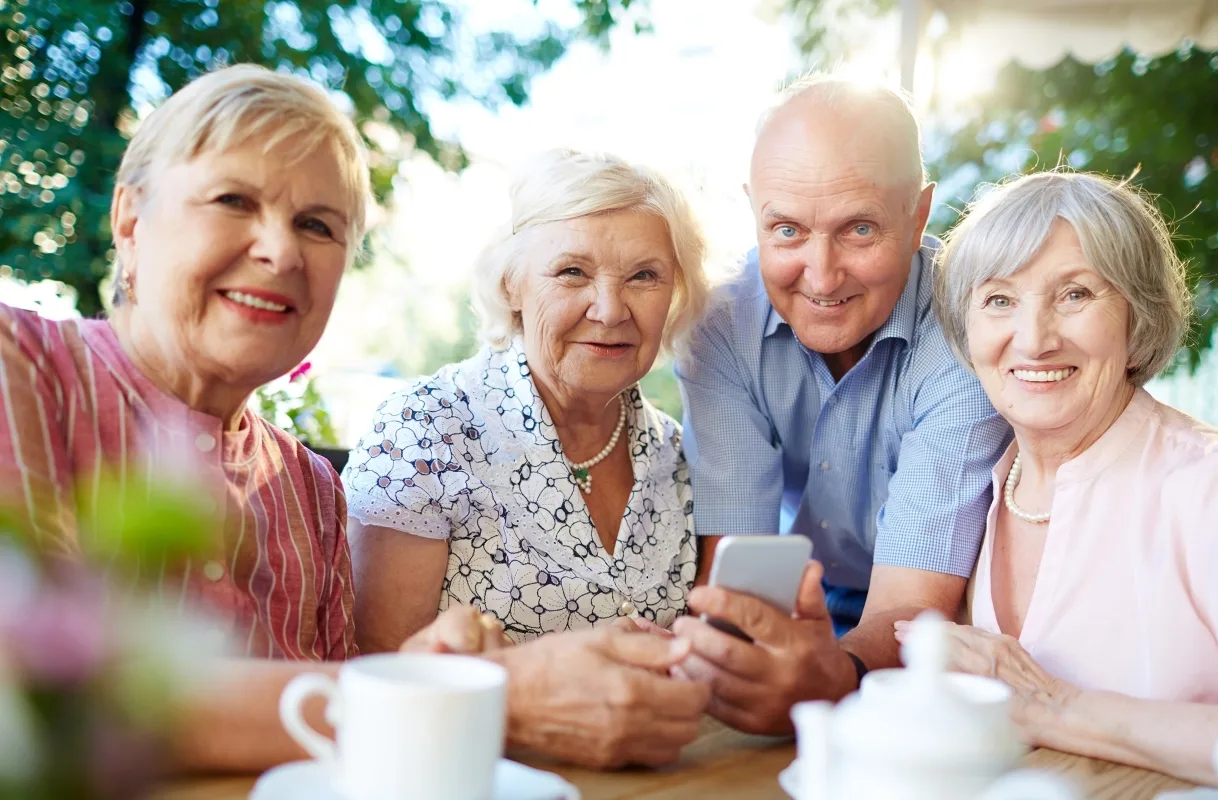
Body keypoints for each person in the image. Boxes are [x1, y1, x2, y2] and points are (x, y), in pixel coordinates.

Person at [0, 66, 708, 773]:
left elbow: (349, 735)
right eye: (232, 200)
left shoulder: (308, 489)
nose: (280, 251)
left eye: (317, 225)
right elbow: (39, 692)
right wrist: (476, 697)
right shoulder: (21, 367)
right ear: (129, 219)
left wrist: (429, 662)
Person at [911, 169, 1218, 785]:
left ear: (1138, 320)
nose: (1033, 340)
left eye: (1075, 294)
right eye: (999, 300)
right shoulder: (979, 485)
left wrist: (1052, 707)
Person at [669, 77, 1011, 734]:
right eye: (788, 230)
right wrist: (745, 663)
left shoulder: (971, 331)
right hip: (814, 598)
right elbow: (737, 577)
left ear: (918, 216)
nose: (822, 278)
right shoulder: (719, 328)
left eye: (858, 229)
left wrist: (834, 673)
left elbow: (915, 610)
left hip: (951, 623)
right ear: (755, 215)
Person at [344, 149, 708, 647]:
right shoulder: (422, 434)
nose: (609, 310)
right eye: (572, 272)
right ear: (511, 284)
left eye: (644, 276)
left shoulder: (683, 455)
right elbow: (382, 675)